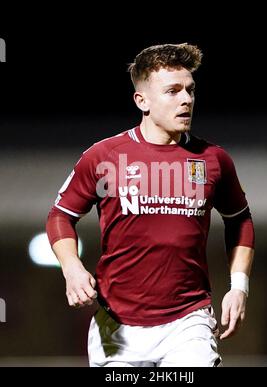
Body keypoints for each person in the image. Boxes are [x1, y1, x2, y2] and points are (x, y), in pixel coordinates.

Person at [46, 43, 255, 367]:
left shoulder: (214, 160)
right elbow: (61, 215)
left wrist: (238, 286)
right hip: (114, 323)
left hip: (189, 320)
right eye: (172, 91)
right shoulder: (104, 156)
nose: (186, 99)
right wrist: (71, 268)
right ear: (141, 100)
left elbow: (240, 220)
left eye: (190, 90)